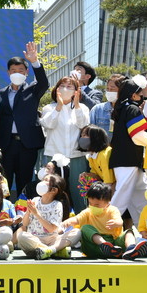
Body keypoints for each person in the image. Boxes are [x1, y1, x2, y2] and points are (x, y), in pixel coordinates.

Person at [0, 42, 49, 196]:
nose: (17, 73)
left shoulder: (33, 90)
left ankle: (23, 210)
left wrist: (34, 61)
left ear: (26, 72)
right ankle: (3, 209)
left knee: (24, 182)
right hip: (6, 145)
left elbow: (44, 83)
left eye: (20, 70)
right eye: (13, 71)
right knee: (3, 183)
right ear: (8, 73)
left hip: (27, 145)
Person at [108, 76, 147, 228]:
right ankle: (102, 227)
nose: (142, 97)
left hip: (128, 160)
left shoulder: (121, 108)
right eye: (140, 94)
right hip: (127, 160)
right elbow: (137, 135)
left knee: (141, 197)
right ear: (133, 95)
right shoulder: (132, 108)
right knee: (120, 199)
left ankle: (145, 230)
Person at [39, 76, 90, 212]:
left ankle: (81, 219)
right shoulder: (49, 108)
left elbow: (83, 125)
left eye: (69, 87)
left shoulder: (82, 108)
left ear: (76, 91)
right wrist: (59, 106)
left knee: (78, 192)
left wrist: (77, 105)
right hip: (53, 156)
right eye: (62, 86)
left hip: (76, 155)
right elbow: (48, 124)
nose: (65, 89)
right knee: (52, 190)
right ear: (56, 89)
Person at [62, 182, 143, 260]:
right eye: (90, 203)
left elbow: (120, 221)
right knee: (85, 228)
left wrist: (116, 223)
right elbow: (77, 219)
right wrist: (68, 221)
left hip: (113, 243)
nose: (93, 206)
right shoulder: (88, 211)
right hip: (94, 245)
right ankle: (104, 245)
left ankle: (131, 249)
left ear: (107, 202)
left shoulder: (112, 210)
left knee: (128, 232)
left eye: (97, 205)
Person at [16, 174, 78, 259]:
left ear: (54, 190)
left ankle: (49, 250)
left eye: (46, 180)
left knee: (77, 232)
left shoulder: (57, 205)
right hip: (34, 241)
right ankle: (53, 251)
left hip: (52, 240)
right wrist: (28, 211)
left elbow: (51, 229)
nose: (42, 182)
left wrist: (36, 214)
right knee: (22, 236)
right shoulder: (35, 200)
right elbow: (25, 224)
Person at [89, 73, 125, 139]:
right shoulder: (97, 109)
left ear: (121, 90)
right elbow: (90, 133)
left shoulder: (128, 110)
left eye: (112, 89)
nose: (109, 91)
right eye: (107, 89)